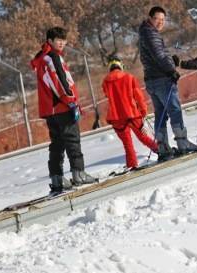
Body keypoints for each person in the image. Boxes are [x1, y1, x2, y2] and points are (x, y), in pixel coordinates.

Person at [31, 26, 97, 194]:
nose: (61, 43)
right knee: (72, 139)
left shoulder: (43, 59)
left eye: (63, 40)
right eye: (57, 40)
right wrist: (70, 100)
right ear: (50, 41)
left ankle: (57, 178)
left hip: (51, 110)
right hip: (61, 107)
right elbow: (58, 82)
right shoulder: (52, 58)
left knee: (57, 144)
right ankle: (78, 173)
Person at [138, 6, 197, 162]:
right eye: (157, 19)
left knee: (161, 114)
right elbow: (159, 55)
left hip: (152, 80)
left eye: (163, 19)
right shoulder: (150, 34)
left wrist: (170, 62)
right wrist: (170, 70)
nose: (160, 22)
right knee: (174, 109)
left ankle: (162, 146)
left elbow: (154, 56)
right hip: (161, 79)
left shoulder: (145, 33)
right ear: (150, 18)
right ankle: (182, 142)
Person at [101, 56, 158, 169]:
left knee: (127, 144)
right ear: (120, 65)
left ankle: (132, 165)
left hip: (116, 117)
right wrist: (143, 111)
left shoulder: (105, 82)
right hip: (132, 113)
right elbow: (138, 96)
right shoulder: (129, 77)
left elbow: (107, 95)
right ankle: (161, 150)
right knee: (143, 137)